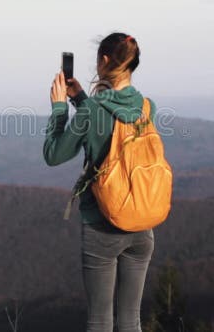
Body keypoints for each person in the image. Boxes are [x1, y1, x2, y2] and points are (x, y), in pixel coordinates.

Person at [43, 32, 156, 332]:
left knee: (99, 321)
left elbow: (54, 154)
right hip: (142, 227)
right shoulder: (147, 107)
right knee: (131, 320)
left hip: (102, 225)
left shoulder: (93, 111)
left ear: (105, 61)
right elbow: (109, 126)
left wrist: (59, 108)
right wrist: (81, 98)